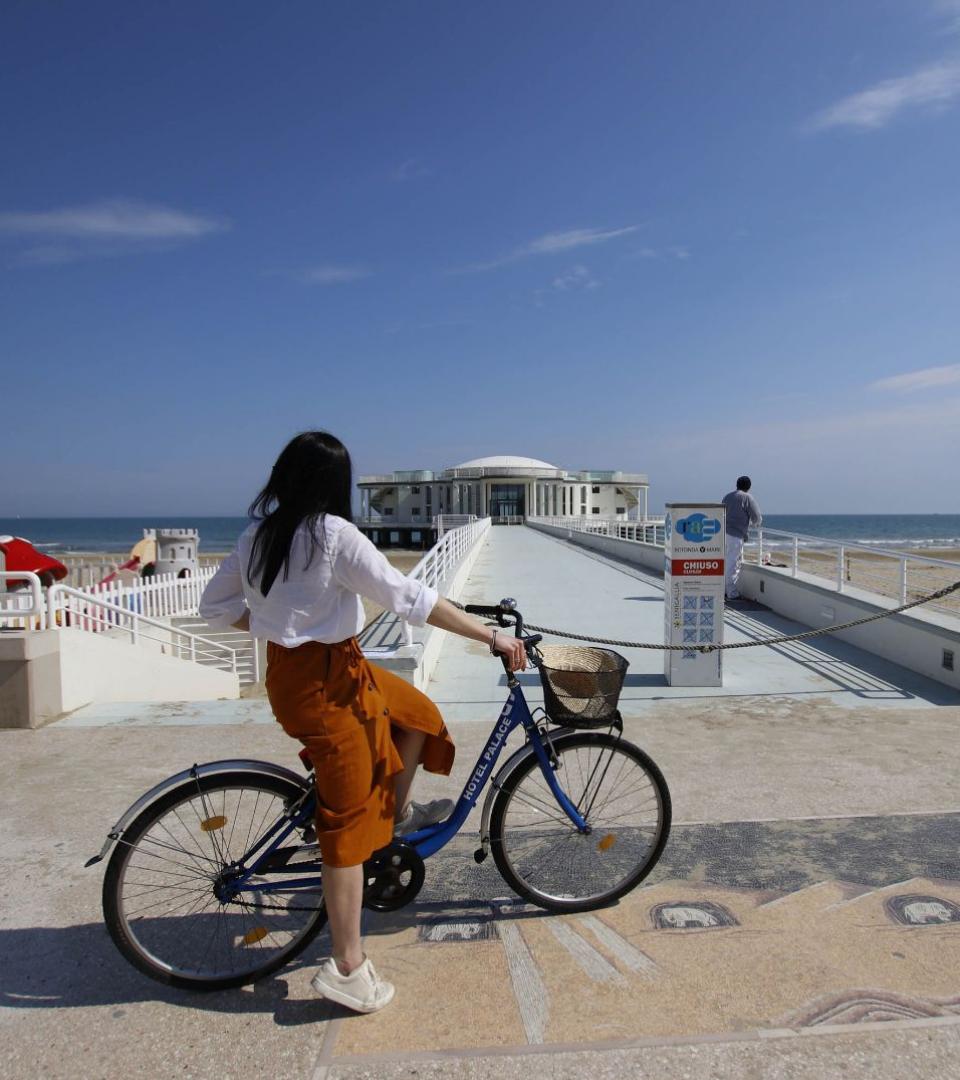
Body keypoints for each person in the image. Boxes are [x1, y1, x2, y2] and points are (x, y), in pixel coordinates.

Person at [199, 431, 526, 1015]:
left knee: (418, 714)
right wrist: (492, 636)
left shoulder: (260, 535)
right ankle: (348, 966)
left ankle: (394, 814)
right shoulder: (334, 535)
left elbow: (215, 607)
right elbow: (410, 598)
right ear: (334, 483)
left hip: (313, 673)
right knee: (346, 832)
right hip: (327, 686)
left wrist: (278, 629)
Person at [721, 475, 762, 601]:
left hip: (722, 534)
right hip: (735, 534)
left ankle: (723, 590)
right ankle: (731, 593)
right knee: (733, 563)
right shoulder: (747, 497)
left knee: (725, 561)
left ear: (737, 484)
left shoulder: (727, 497)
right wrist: (755, 524)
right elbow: (757, 518)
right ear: (748, 487)